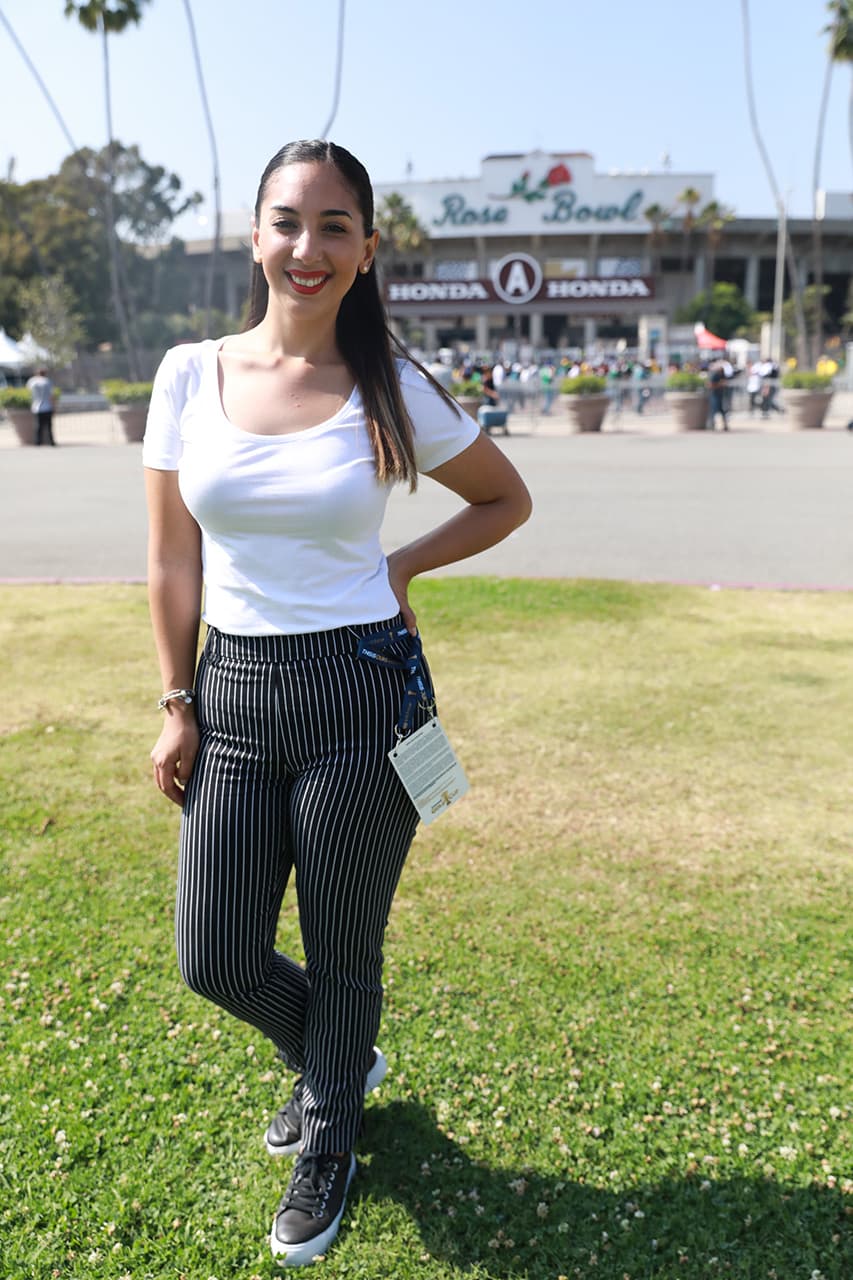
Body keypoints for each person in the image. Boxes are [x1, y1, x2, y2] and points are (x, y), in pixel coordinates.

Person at [142, 139, 531, 1268]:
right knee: (214, 954)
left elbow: (504, 497)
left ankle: (332, 1132)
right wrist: (178, 699)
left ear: (365, 250)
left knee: (343, 943)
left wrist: (402, 568)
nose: (306, 248)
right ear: (255, 234)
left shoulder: (391, 383)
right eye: (286, 222)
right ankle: (335, 1063)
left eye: (333, 227)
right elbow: (173, 560)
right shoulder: (188, 373)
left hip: (361, 692)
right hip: (236, 687)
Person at [26, 367, 56, 445]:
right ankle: (51, 442)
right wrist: (54, 406)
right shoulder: (47, 381)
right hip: (47, 406)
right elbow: (51, 395)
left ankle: (38, 442)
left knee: (38, 426)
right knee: (49, 426)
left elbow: (28, 393)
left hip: (36, 407)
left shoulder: (32, 381)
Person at [708, 361, 729, 431]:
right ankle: (711, 425)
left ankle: (724, 425)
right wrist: (719, 384)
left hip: (720, 395)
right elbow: (710, 385)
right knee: (714, 410)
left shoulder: (722, 374)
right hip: (714, 395)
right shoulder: (714, 375)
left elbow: (724, 382)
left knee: (722, 410)